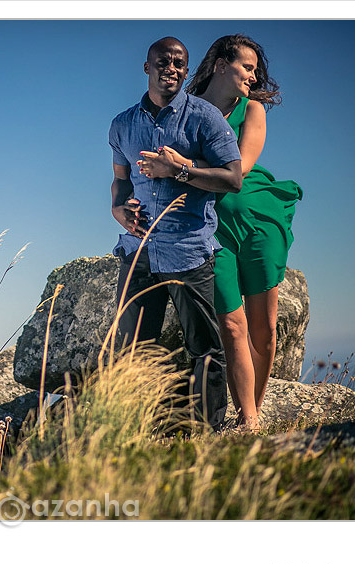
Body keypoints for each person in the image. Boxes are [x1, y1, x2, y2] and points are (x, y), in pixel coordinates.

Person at [161, 34, 303, 430]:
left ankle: (248, 413)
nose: (252, 77)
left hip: (258, 220)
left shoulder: (252, 110)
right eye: (246, 67)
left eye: (256, 70)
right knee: (231, 323)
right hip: (208, 228)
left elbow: (237, 170)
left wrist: (181, 165)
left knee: (266, 327)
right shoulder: (181, 111)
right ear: (221, 64)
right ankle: (250, 421)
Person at [109, 37, 243, 429]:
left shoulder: (205, 118)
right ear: (146, 66)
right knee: (135, 352)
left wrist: (179, 170)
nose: (171, 67)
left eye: (179, 63)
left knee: (204, 349)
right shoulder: (122, 124)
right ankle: (140, 434)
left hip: (188, 251)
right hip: (138, 252)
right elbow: (120, 181)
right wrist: (117, 209)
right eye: (163, 61)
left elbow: (232, 178)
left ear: (186, 71)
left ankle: (205, 434)